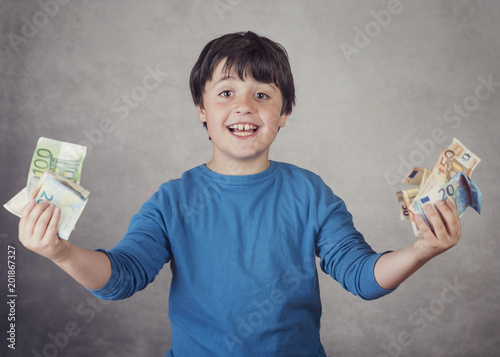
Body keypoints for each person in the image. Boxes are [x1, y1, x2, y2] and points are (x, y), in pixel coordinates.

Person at [18, 31, 461, 357]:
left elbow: (363, 277)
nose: (244, 106)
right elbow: (121, 277)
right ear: (202, 110)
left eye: (262, 95)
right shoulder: (172, 200)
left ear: (284, 113)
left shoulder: (309, 193)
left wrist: (421, 250)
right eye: (226, 92)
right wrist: (59, 251)